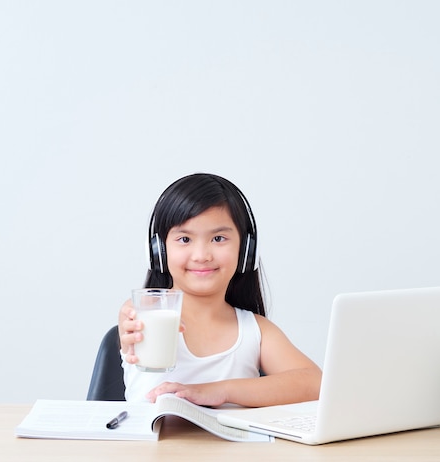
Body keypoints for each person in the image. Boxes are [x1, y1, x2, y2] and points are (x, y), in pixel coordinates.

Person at [118, 173, 322, 408]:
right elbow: (129, 321)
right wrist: (132, 324)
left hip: (230, 446)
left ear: (245, 250)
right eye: (184, 239)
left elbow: (315, 383)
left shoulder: (255, 331)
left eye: (218, 238)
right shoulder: (144, 315)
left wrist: (220, 391)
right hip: (153, 445)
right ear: (159, 252)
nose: (202, 255)